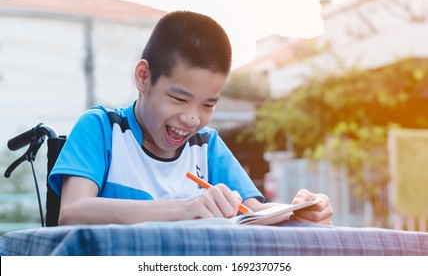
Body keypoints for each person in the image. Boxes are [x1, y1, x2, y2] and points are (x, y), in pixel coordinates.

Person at [48, 11, 333, 225]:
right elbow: (73, 212)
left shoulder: (206, 145)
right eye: (179, 99)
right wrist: (183, 209)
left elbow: (251, 214)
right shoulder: (102, 128)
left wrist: (300, 212)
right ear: (143, 77)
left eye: (208, 104)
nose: (192, 119)